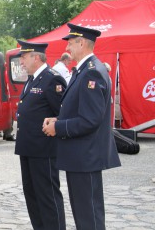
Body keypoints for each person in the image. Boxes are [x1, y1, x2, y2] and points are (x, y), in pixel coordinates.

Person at [42, 23, 121, 230]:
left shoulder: (91, 73)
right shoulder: (84, 70)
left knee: (88, 217)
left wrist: (58, 128)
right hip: (81, 156)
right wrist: (58, 120)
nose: (67, 48)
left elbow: (90, 120)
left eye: (70, 43)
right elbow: (79, 111)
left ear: (82, 42)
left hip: (85, 156)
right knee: (84, 213)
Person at [15, 40, 67, 230]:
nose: (21, 62)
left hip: (44, 150)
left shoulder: (52, 79)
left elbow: (63, 114)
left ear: (36, 57)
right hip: (28, 148)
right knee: (32, 195)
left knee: (47, 197)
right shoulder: (32, 78)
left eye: (24, 57)